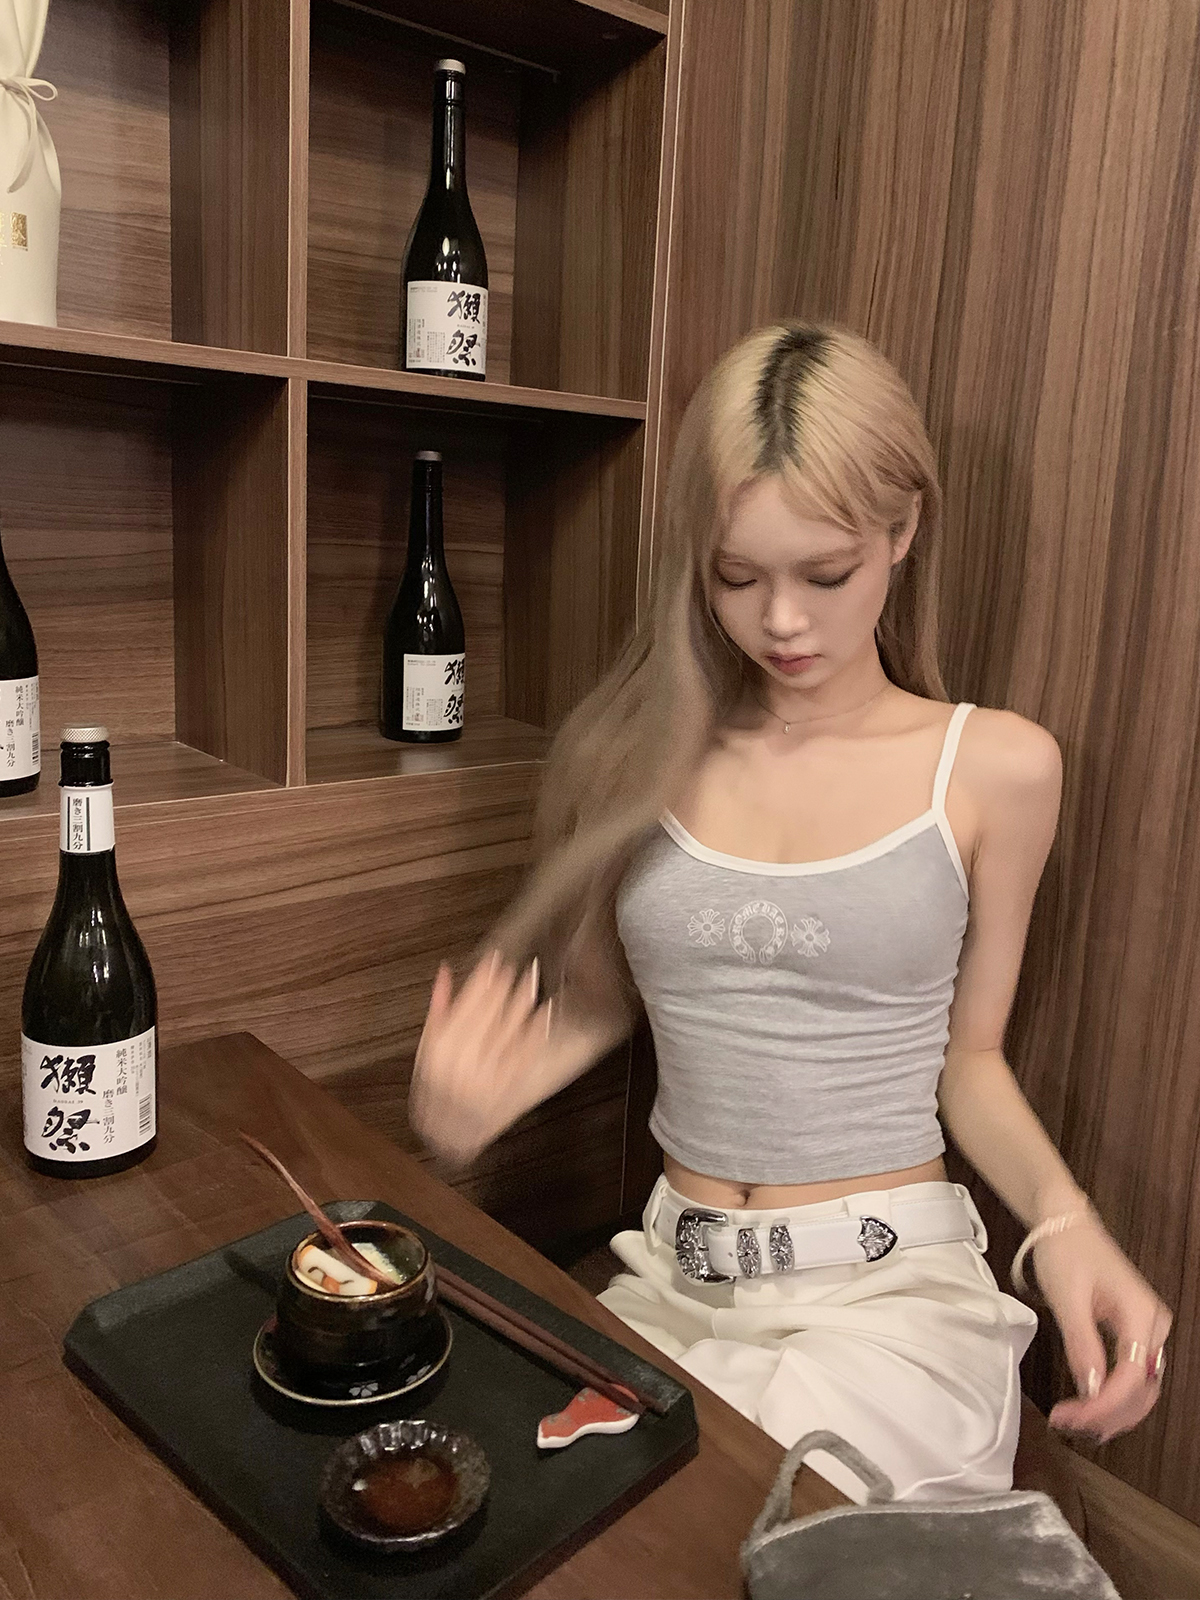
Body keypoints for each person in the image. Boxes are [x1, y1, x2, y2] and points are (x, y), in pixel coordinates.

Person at [408, 322, 1172, 1503]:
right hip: (672, 1284)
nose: (780, 622)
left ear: (903, 530)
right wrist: (470, 1106)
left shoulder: (995, 768)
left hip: (887, 1300)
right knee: (515, 1504)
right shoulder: (631, 757)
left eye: (825, 574)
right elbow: (602, 1006)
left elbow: (969, 1061)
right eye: (736, 576)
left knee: (726, 1518)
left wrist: (1066, 1226)